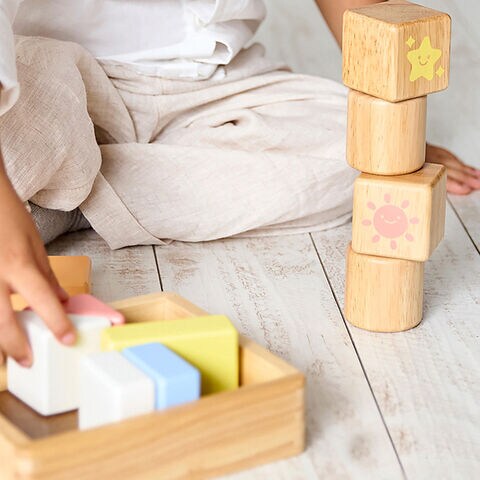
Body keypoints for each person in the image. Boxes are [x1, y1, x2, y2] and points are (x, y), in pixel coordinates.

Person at [0, 0, 478, 367]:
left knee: (346, 151)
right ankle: (44, 189)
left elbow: (377, 29)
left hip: (210, 83)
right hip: (46, 68)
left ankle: (62, 197)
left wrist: (391, 127)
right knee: (33, 114)